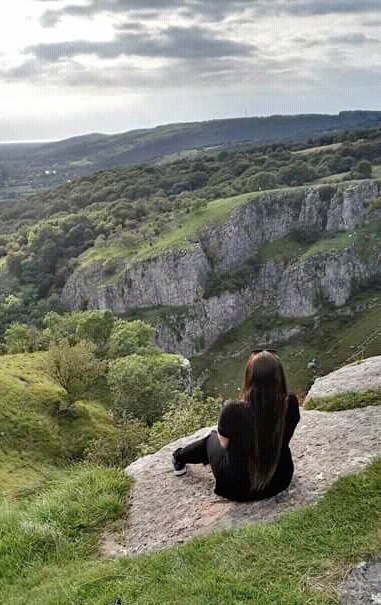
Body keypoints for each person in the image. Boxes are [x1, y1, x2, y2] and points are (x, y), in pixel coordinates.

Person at [172, 350, 300, 502]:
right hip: (279, 480)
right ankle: (179, 457)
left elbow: (223, 443)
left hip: (240, 488)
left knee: (210, 439)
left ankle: (178, 457)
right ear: (279, 377)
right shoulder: (290, 403)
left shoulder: (233, 410)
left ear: (250, 378)